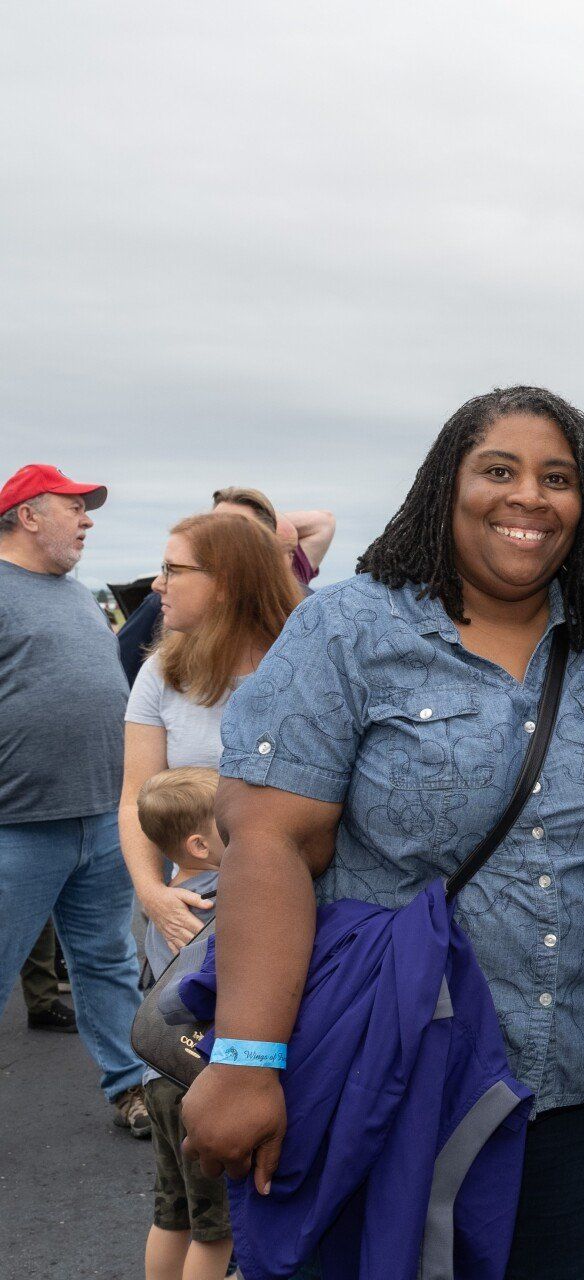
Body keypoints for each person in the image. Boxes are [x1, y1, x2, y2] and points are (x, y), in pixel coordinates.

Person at [179, 387, 584, 1280]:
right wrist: (245, 1060)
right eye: (499, 471)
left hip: (580, 1081)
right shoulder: (352, 627)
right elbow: (268, 842)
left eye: (558, 478)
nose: (529, 499)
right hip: (395, 1071)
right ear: (448, 485)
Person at [0, 463, 150, 1138]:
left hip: (99, 816)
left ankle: (131, 1088)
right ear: (29, 514)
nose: (87, 519)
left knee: (109, 961)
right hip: (18, 826)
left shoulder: (74, 594)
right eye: (74, 507)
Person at [121, 512, 302, 954]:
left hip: (302, 908)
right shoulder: (162, 672)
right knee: (184, 1026)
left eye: (172, 570)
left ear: (226, 583)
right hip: (194, 912)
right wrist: (152, 895)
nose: (157, 584)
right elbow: (133, 799)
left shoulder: (305, 674)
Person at [134, 767, 230, 1280]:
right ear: (198, 843)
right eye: (229, 819)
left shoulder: (167, 899)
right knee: (217, 1229)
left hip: (158, 1075)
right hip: (200, 1075)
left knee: (172, 1213)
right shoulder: (219, 894)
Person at [116, 487, 333, 684]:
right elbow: (120, 668)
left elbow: (324, 522)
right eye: (214, 525)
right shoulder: (163, 603)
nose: (216, 535)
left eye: (235, 530)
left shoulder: (303, 609)